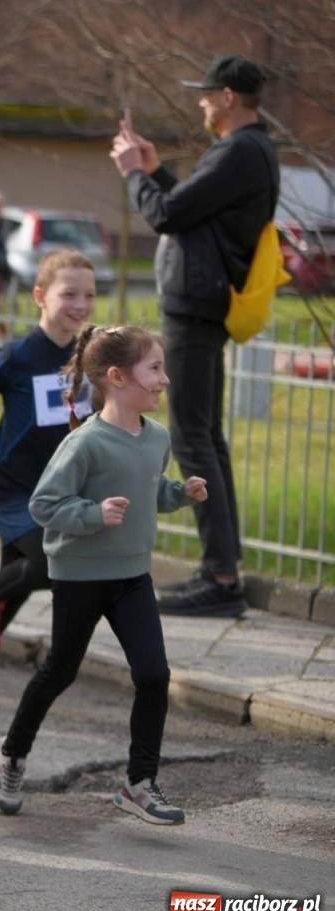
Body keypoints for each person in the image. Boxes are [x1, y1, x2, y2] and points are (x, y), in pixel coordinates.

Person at [0, 324, 206, 826]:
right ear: (116, 377)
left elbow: (147, 488)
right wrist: (91, 514)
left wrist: (179, 493)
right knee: (60, 670)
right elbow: (45, 504)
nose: (164, 379)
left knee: (154, 674)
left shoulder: (157, 440)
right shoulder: (84, 443)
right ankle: (12, 755)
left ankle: (139, 782)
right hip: (80, 576)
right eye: (154, 369)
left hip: (132, 574)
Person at [111, 55, 278, 618]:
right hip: (205, 302)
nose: (202, 103)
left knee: (193, 439)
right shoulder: (252, 152)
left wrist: (135, 173)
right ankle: (221, 569)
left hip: (194, 306)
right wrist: (156, 173)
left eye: (207, 95)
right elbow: (192, 211)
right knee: (207, 436)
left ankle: (222, 576)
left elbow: (164, 216)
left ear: (229, 96)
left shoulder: (238, 150)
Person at [0, 249, 97, 710]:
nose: (80, 303)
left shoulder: (89, 353)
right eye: (68, 293)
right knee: (52, 565)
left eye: (89, 294)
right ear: (40, 296)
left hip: (59, 489)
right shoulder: (18, 354)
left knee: (22, 580)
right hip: (11, 487)